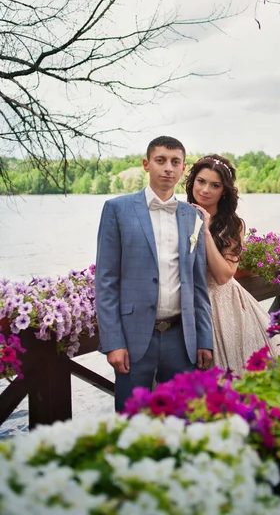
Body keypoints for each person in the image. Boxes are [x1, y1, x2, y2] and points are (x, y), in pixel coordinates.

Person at [95, 136, 213, 412]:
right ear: (147, 165)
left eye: (175, 162)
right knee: (130, 419)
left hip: (181, 339)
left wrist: (204, 339)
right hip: (133, 339)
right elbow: (106, 282)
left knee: (182, 419)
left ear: (184, 169)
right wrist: (113, 342)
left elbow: (198, 285)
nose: (168, 168)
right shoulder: (117, 209)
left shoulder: (192, 216)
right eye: (160, 161)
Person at [185, 154, 280, 376]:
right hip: (185, 304)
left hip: (222, 305)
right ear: (193, 181)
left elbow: (223, 276)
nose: (205, 190)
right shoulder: (177, 216)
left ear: (224, 191)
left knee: (229, 377)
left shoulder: (233, 225)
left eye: (215, 185)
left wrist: (205, 232)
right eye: (201, 181)